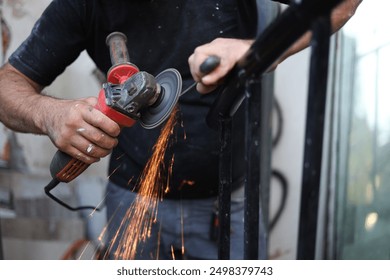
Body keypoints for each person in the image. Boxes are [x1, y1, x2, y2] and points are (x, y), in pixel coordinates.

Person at [0, 0, 361, 260]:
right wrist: (48, 114)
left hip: (227, 201)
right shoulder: (82, 6)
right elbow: (8, 85)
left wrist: (259, 52)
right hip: (131, 200)